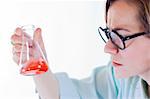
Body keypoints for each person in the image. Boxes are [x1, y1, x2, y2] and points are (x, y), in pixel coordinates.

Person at [11, 0, 150, 99]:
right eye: (110, 34)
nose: (107, 48)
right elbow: (68, 95)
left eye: (121, 36)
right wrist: (39, 65)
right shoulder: (123, 81)